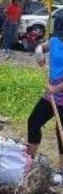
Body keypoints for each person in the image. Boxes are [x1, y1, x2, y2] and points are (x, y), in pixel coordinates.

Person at [28, 19, 63, 180]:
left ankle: (62, 170)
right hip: (51, 95)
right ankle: (30, 160)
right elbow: (43, 47)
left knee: (61, 132)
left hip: (58, 92)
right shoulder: (56, 39)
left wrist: (56, 88)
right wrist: (39, 51)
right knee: (34, 122)